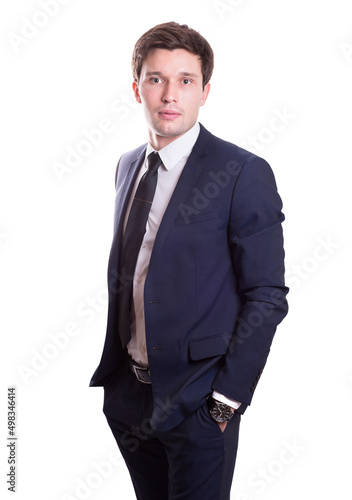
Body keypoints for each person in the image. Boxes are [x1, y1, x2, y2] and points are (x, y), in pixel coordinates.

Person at [90, 21, 289, 500]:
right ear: (137, 88)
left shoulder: (241, 172)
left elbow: (266, 295)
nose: (169, 94)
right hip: (130, 399)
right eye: (156, 79)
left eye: (185, 80)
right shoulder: (126, 165)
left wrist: (223, 406)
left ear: (205, 92)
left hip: (199, 404)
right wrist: (118, 391)